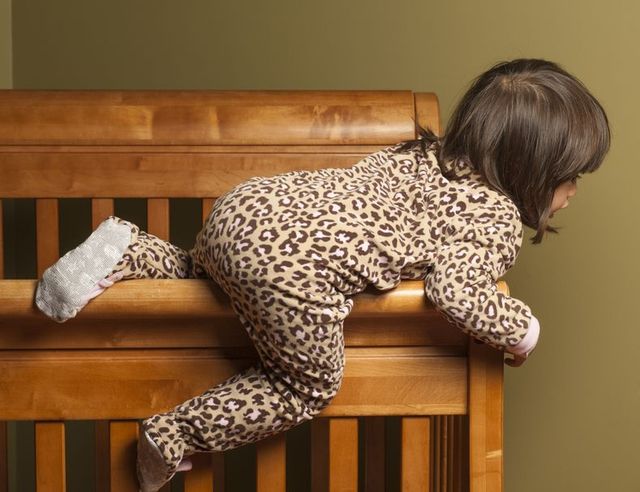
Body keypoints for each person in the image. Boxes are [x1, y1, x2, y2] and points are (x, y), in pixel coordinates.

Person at [33, 58, 610, 491]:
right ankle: (174, 433)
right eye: (568, 178)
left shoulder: (417, 154)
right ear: (528, 172)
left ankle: (128, 250)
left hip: (245, 208)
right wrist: (522, 329)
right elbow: (455, 292)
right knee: (304, 385)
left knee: (201, 278)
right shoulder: (493, 217)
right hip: (291, 269)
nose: (572, 193)